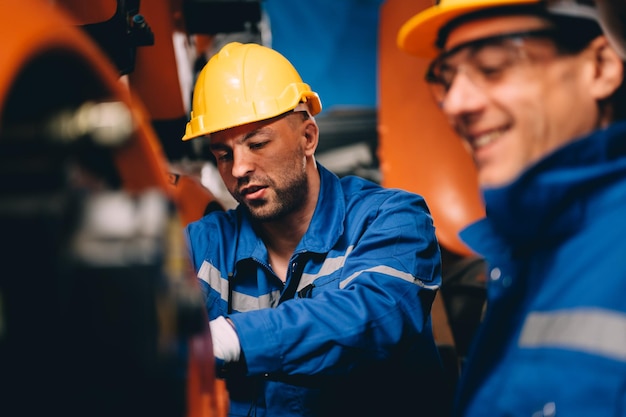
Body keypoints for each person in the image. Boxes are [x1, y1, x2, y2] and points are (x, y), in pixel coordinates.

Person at [181, 41, 448, 417]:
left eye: (256, 143)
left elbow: (372, 317)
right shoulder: (204, 244)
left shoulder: (393, 220)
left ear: (308, 138)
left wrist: (232, 337)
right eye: (223, 154)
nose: (238, 168)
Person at [397, 0, 626, 416]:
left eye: (493, 67)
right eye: (447, 78)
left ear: (600, 68)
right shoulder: (528, 248)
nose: (455, 104)